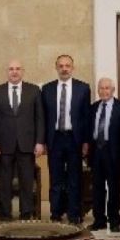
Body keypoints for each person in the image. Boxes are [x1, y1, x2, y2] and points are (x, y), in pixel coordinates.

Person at [0, 60, 44, 220]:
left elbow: (40, 118)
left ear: (22, 71)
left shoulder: (34, 90)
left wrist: (40, 141)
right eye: (11, 69)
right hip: (4, 145)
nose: (14, 72)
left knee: (26, 181)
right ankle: (5, 215)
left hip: (27, 144)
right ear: (7, 71)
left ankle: (26, 214)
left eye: (18, 69)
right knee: (4, 182)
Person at [41, 54, 91, 223]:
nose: (64, 69)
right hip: (54, 139)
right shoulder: (47, 89)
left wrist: (86, 142)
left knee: (74, 179)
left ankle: (74, 214)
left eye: (67, 66)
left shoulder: (83, 88)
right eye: (61, 66)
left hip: (74, 139)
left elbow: (86, 117)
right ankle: (55, 214)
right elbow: (43, 118)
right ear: (56, 68)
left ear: (72, 68)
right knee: (55, 179)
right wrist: (43, 141)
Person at [88, 77, 120, 232]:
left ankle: (114, 220)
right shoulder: (93, 107)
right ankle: (99, 220)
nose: (104, 91)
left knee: (114, 187)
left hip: (114, 153)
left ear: (113, 90)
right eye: (101, 88)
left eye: (107, 88)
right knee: (97, 188)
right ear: (98, 90)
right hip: (96, 152)